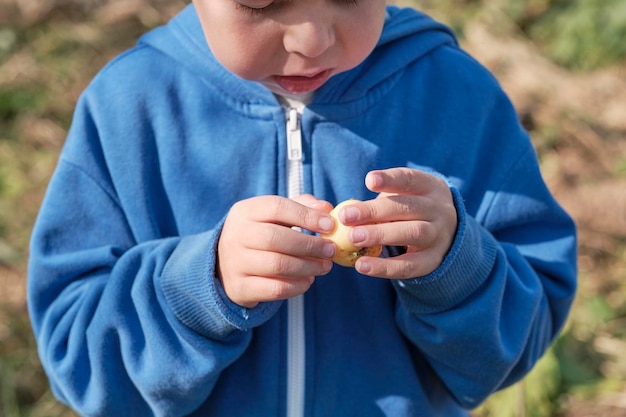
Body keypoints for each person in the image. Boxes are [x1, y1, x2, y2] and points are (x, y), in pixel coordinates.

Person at [27, 0, 577, 416]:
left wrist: (455, 265)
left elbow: (520, 340)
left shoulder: (458, 98)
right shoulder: (130, 106)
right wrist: (199, 289)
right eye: (262, 2)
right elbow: (78, 359)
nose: (313, 38)